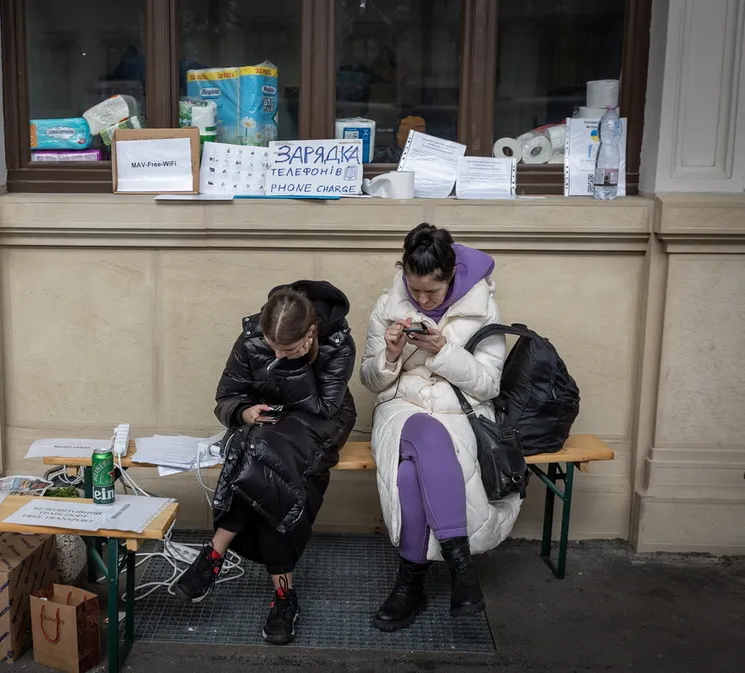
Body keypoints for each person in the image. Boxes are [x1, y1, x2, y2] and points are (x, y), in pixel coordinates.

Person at [175, 281, 357, 645]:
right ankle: (284, 596)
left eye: (284, 347)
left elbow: (324, 406)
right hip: (266, 426)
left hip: (321, 424)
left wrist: (296, 362)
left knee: (263, 456)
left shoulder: (338, 343)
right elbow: (227, 396)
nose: (275, 352)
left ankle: (214, 552)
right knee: (266, 467)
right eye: (270, 345)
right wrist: (243, 411)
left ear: (309, 333)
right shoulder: (252, 336)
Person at [359, 223, 521, 632]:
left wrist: (443, 352)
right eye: (414, 289)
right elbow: (370, 380)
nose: (421, 298)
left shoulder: (483, 306)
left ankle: (409, 583)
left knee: (412, 471)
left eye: (431, 291)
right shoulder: (388, 304)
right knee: (425, 435)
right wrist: (391, 356)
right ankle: (462, 572)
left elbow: (489, 385)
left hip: (461, 412)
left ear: (451, 275)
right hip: (401, 407)